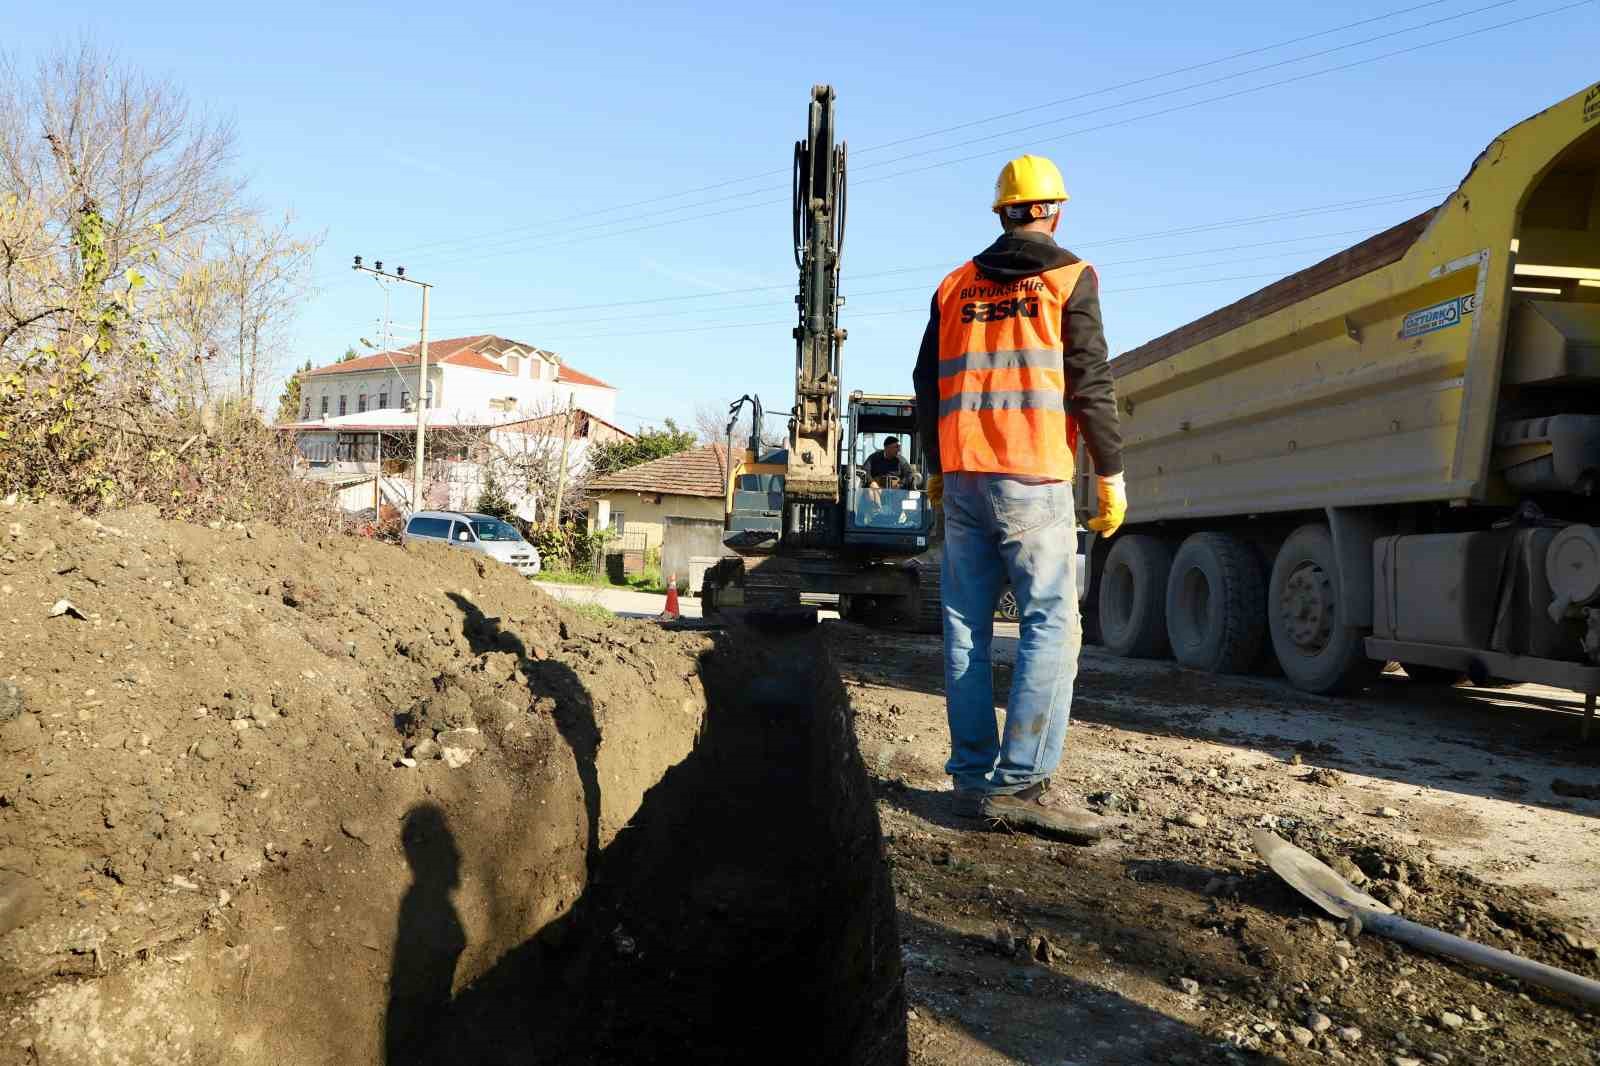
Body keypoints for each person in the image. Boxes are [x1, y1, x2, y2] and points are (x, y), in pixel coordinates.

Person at [912, 153, 1127, 843]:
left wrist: (938, 468)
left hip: (967, 479)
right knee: (1050, 625)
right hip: (1032, 476)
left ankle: (973, 780)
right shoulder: (1069, 278)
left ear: (1003, 211)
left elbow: (927, 385)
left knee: (966, 626)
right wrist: (1112, 473)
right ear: (1054, 210)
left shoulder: (952, 285)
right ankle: (1026, 782)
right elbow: (1090, 384)